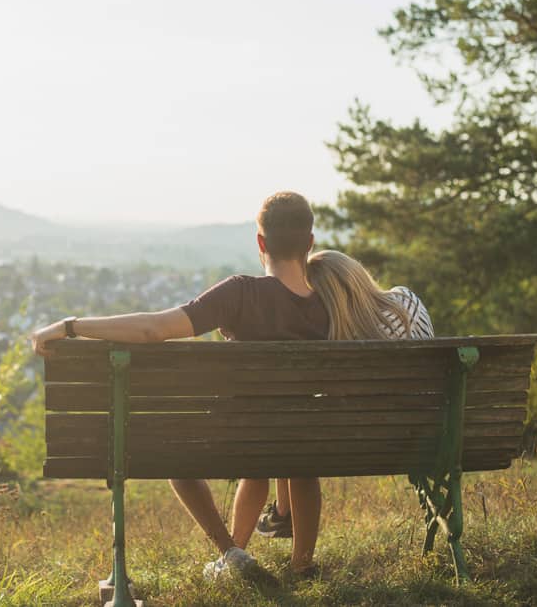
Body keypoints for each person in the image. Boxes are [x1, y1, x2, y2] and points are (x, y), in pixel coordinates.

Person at [31, 191, 327, 579]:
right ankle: (302, 565)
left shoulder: (241, 293)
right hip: (305, 442)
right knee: (295, 453)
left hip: (239, 438)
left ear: (260, 243)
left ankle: (231, 553)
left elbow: (154, 328)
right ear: (309, 243)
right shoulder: (329, 303)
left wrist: (71, 326)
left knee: (175, 457)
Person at [252, 249, 435, 542]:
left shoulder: (334, 339)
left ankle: (282, 513)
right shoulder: (407, 302)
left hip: (353, 446)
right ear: (357, 273)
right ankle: (281, 514)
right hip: (427, 436)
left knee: (290, 420)